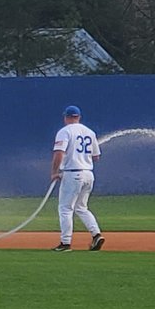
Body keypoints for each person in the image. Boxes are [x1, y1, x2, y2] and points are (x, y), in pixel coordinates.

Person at [50, 105, 104, 251]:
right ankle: (96, 234)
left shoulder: (64, 131)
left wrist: (55, 171)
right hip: (88, 174)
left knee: (65, 208)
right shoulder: (89, 132)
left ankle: (65, 243)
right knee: (81, 207)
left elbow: (59, 153)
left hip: (73, 173)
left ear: (66, 117)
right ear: (78, 117)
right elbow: (96, 156)